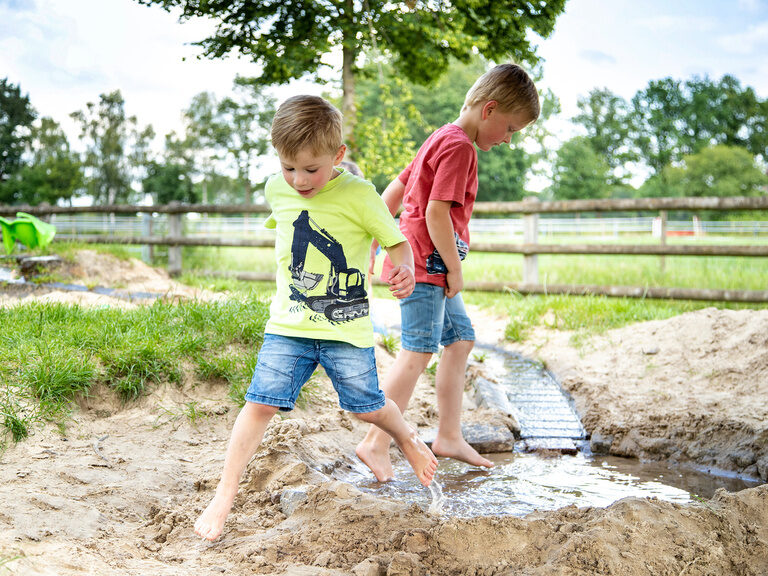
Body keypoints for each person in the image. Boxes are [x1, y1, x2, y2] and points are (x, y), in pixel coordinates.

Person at [194, 95, 438, 541]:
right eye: (289, 167)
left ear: (338, 156)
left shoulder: (361, 195)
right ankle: (223, 495)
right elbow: (290, 232)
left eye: (311, 169)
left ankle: (405, 437)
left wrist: (401, 270)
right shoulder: (276, 189)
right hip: (287, 325)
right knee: (260, 403)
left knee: (366, 406)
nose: (299, 180)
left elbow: (395, 241)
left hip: (346, 330)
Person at [355, 63, 540, 482]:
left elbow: (398, 188)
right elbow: (438, 215)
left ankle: (449, 434)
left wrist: (373, 238)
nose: (509, 141)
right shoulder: (460, 148)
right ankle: (376, 441)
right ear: (489, 110)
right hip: (426, 267)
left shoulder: (440, 136)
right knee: (418, 351)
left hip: (426, 264)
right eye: (510, 129)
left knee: (460, 339)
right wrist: (455, 272)